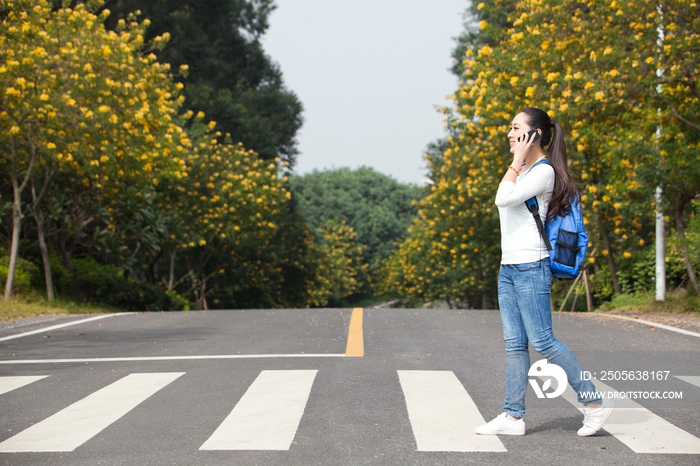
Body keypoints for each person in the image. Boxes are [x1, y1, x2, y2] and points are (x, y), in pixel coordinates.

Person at [475, 107, 614, 437]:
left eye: (516, 129)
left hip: (530, 267)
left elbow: (502, 199)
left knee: (543, 341)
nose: (509, 134)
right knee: (514, 344)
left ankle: (594, 402)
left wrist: (515, 162)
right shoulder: (523, 170)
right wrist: (517, 163)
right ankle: (512, 417)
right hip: (509, 268)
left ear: (534, 135)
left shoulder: (543, 172)